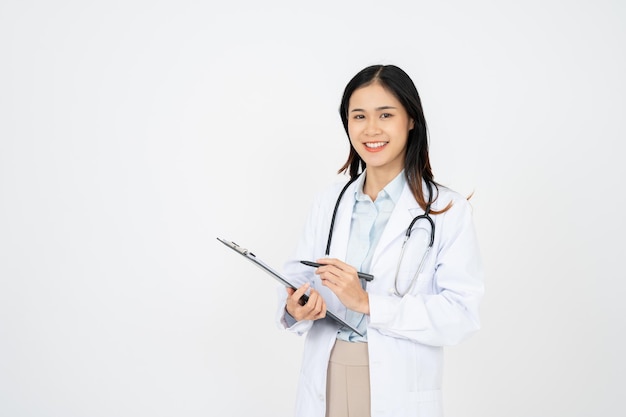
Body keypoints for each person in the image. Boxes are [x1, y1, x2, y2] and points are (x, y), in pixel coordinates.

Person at [276, 64, 484, 417]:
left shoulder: (447, 211)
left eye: (385, 114)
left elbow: (461, 315)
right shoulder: (329, 201)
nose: (371, 129)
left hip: (396, 383)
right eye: (359, 116)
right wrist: (295, 308)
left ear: (411, 120)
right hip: (325, 372)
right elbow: (299, 279)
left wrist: (368, 302)